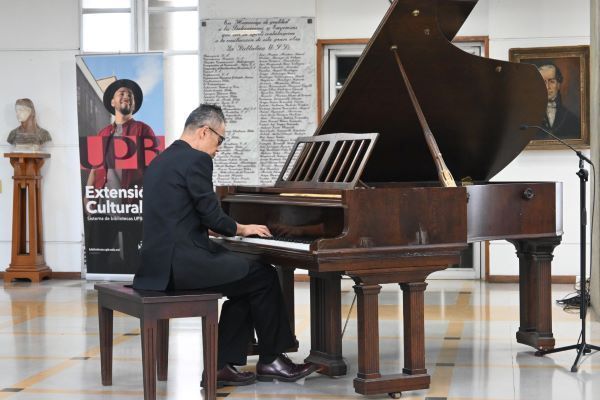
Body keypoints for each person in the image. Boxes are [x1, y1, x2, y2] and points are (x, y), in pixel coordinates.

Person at [133, 104, 317, 387]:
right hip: (181, 264)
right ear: (205, 131)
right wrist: (242, 229)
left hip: (156, 264)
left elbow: (181, 213)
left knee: (244, 282)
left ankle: (221, 366)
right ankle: (272, 359)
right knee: (263, 275)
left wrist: (224, 233)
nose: (219, 148)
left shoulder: (162, 160)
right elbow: (212, 216)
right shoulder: (197, 160)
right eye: (220, 140)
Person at [538, 63, 580, 139]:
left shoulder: (572, 118)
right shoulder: (528, 116)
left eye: (551, 81)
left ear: (558, 85)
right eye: (543, 82)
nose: (547, 87)